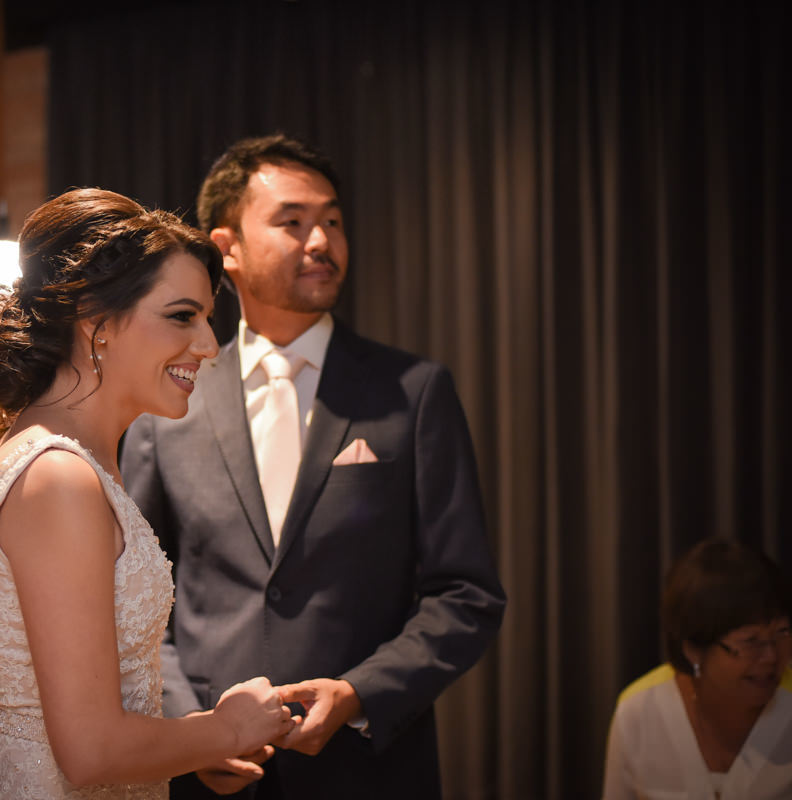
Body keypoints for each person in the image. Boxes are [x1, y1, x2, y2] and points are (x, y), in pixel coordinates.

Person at [120, 134, 506, 798]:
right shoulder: (167, 400)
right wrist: (188, 726)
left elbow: (467, 595)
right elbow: (132, 594)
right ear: (226, 248)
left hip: (369, 770)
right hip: (209, 774)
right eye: (292, 222)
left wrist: (360, 693)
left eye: (332, 220)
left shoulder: (412, 392)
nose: (321, 241)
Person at [0, 188, 297, 799]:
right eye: (181, 316)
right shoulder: (59, 476)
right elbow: (88, 753)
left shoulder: (68, 457)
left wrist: (193, 743)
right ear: (96, 322)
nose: (208, 346)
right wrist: (224, 727)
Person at [602, 538, 792, 800]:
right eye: (751, 641)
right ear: (693, 649)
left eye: (781, 633)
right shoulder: (639, 712)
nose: (771, 656)